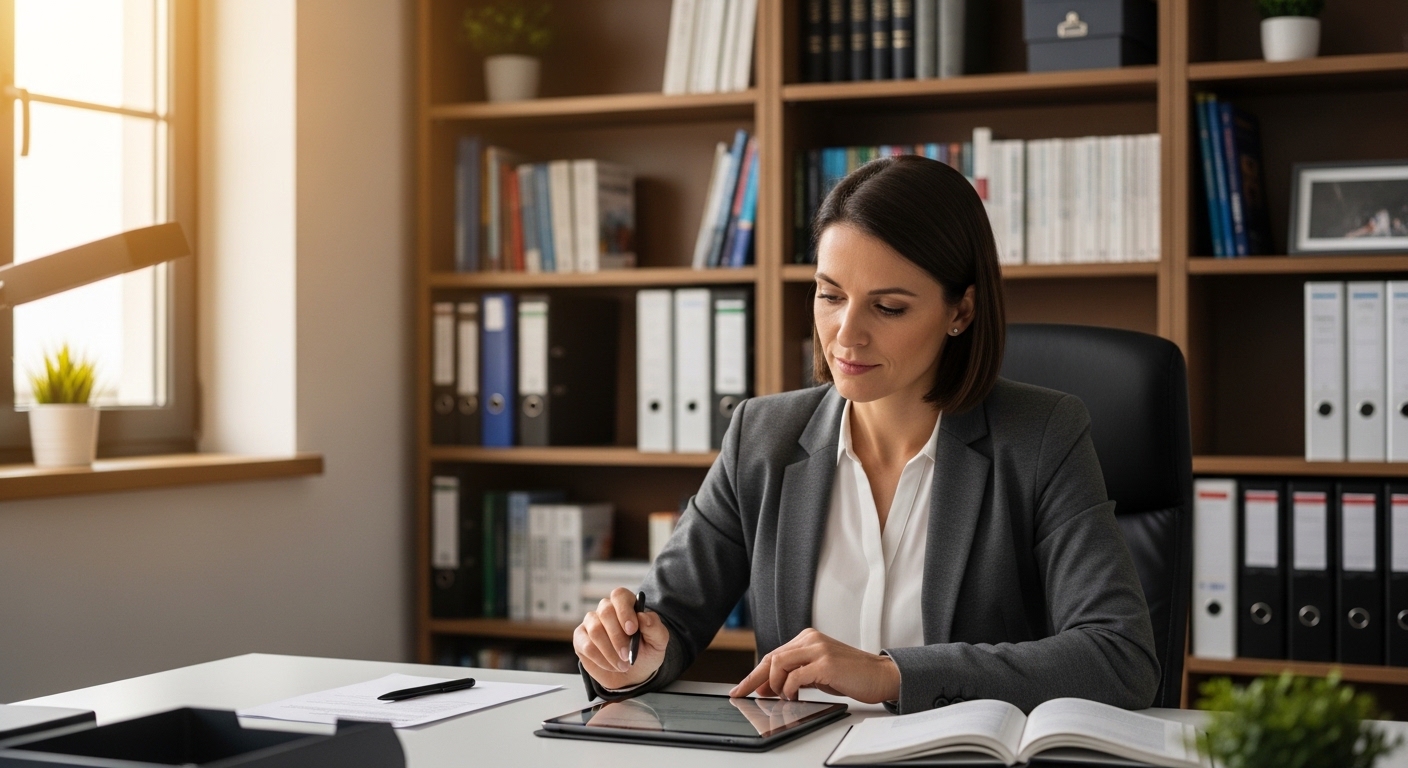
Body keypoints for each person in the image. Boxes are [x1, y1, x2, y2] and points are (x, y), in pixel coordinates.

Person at [572, 154, 1160, 714]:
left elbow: (1119, 657)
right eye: (830, 296)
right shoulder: (763, 435)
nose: (845, 336)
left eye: (889, 308)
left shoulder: (1040, 437)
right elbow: (668, 622)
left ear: (962, 311)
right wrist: (632, 658)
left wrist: (891, 673)